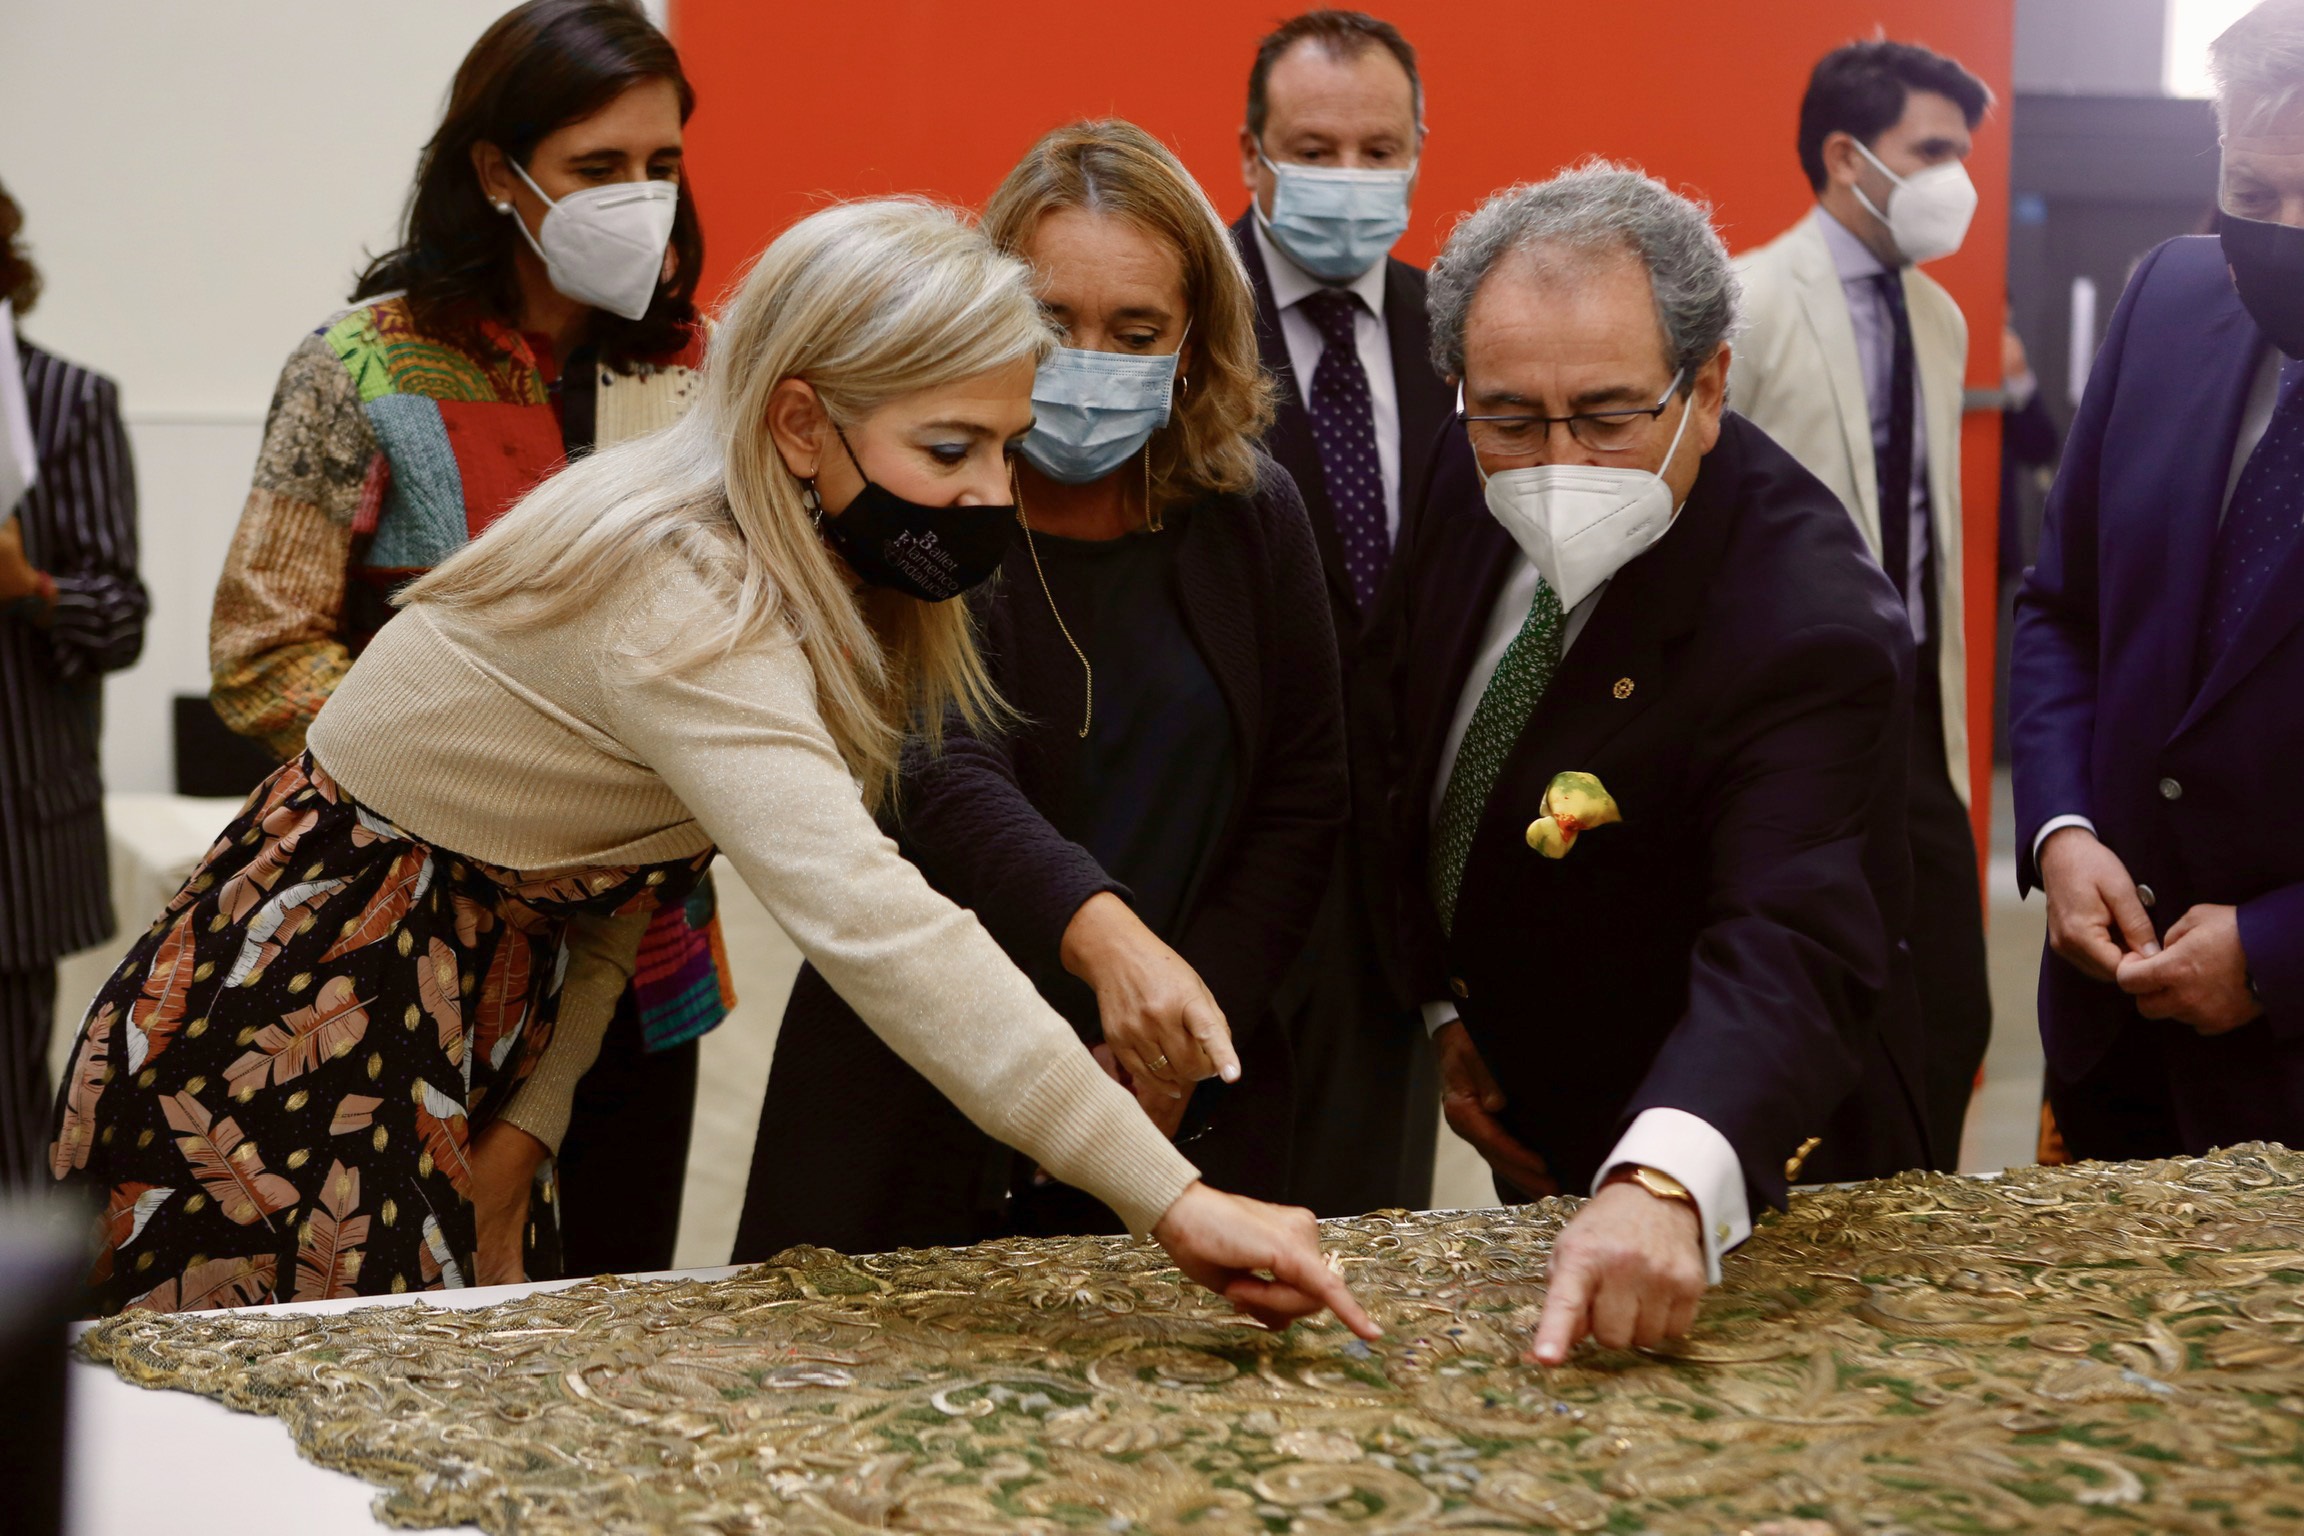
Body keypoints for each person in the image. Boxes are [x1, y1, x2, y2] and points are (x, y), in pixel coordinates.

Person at [47, 197, 1378, 1341]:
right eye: (949, 449)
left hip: (467, 1029)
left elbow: (616, 874)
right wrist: (1174, 1200)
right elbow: (877, 922)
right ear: (801, 423)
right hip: (305, 1027)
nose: (992, 494)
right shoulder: (686, 590)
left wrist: (530, 1118)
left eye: (1005, 447)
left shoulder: (815, 558)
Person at [736, 121, 1344, 1258]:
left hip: (1180, 1095)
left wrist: (1175, 1036)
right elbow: (937, 770)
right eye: (1052, 321)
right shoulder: (928, 491)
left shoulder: (1251, 516)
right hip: (917, 1097)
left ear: (1194, 340)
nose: (1088, 357)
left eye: (1136, 332)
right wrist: (1107, 943)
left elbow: (1303, 799)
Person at [204, 0, 725, 1276]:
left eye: (661, 164)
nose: (641, 198)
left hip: (645, 962)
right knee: (416, 1319)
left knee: (616, 1314)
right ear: (498, 172)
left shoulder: (709, 376)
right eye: (597, 167)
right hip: (413, 953)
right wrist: (488, 790)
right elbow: (261, 653)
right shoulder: (360, 368)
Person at [1395, 164, 1927, 1362]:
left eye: (1608, 416)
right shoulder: (1466, 460)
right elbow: (1408, 725)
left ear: (1709, 384)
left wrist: (1666, 1178)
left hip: (1738, 1160)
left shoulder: (1807, 623)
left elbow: (1791, 935)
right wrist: (1442, 999)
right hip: (1532, 1121)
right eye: (1513, 418)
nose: (1557, 461)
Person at [2010, 0, 2304, 1158]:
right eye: (2254, 192)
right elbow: (2062, 610)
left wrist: (2276, 951)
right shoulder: (2169, 298)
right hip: (2112, 1042)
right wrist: (2062, 830)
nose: (2284, 234)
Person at [1728, 40, 1995, 1171]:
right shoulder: (1745, 300)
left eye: (1962, 153)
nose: (1955, 179)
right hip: (1793, 718)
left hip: (1917, 719)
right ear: (1847, 156)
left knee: (1954, 1005)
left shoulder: (1940, 317)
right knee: (1824, 999)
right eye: (1931, 151)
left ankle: (1919, 1216)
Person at [1229, 7, 1450, 1217]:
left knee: (1379, 1224)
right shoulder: (1178, 321)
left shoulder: (1456, 329)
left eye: (1379, 150)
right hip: (1223, 872)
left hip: (1396, 889)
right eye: (1314, 150)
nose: (1348, 178)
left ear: (1419, 152)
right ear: (1252, 156)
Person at [0, 180, 147, 1191]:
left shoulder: (65, 402)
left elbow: (121, 616)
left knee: (5, 1118)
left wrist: (30, 588)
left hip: (13, 831)